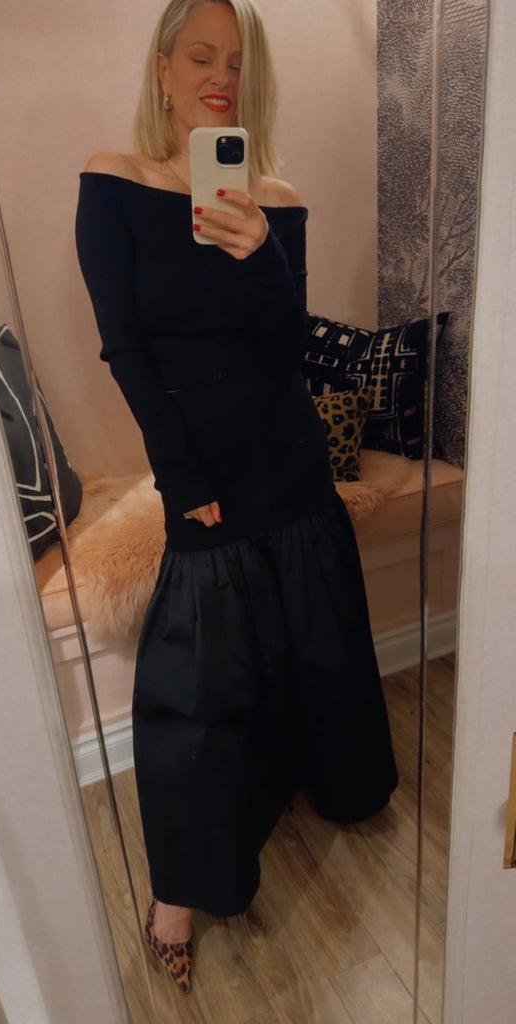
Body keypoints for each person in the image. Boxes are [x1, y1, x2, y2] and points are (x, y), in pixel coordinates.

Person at [76, 0, 398, 995]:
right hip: (201, 468)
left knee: (317, 638)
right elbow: (126, 349)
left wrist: (263, 251)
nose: (220, 75)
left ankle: (328, 778)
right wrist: (183, 480)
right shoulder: (114, 182)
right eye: (200, 55)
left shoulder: (275, 196)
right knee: (199, 686)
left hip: (288, 457)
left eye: (236, 59)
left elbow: (284, 350)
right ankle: (180, 892)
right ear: (164, 69)